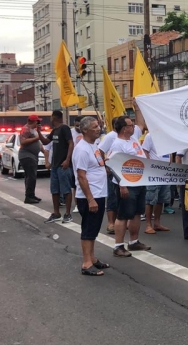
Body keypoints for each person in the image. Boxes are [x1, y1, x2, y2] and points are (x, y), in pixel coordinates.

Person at [72, 116, 110, 276]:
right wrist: (90, 199)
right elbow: (81, 176)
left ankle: (93, 258)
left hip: (99, 193)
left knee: (94, 228)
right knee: (88, 229)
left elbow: (98, 165)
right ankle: (86, 263)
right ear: (86, 130)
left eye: (98, 125)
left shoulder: (93, 145)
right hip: (90, 196)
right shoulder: (81, 149)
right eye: (95, 126)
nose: (98, 128)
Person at [109, 115, 151, 257]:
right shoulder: (117, 144)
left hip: (139, 181)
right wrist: (122, 185)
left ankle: (134, 242)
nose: (134, 127)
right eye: (130, 125)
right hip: (126, 184)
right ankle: (118, 246)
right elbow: (113, 166)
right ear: (124, 129)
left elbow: (140, 122)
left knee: (137, 213)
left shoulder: (132, 139)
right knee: (123, 215)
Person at [40, 110, 75, 224]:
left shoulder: (64, 128)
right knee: (54, 190)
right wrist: (38, 132)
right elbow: (45, 142)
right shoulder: (55, 130)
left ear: (54, 118)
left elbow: (71, 143)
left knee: (66, 189)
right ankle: (56, 213)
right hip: (55, 166)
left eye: (51, 117)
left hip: (63, 165)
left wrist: (67, 160)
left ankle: (68, 214)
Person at [142, 130, 172, 234]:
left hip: (165, 173)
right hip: (153, 172)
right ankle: (148, 224)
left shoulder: (167, 136)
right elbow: (145, 151)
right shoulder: (150, 136)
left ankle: (157, 223)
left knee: (161, 199)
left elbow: (170, 152)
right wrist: (149, 165)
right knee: (150, 199)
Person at [20, 114, 44, 204]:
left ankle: (31, 194)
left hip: (32, 155)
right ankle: (28, 196)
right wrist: (37, 137)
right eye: (37, 121)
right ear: (33, 121)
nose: (38, 123)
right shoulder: (26, 129)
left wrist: (44, 151)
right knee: (31, 176)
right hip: (27, 155)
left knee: (31, 176)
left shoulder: (33, 130)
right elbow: (23, 141)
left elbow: (38, 143)